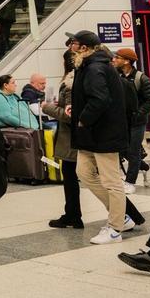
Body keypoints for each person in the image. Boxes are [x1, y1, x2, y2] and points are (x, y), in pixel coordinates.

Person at [67, 30, 138, 244]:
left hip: (103, 134)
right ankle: (121, 216)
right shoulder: (88, 65)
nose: (71, 46)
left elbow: (100, 99)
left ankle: (116, 227)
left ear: (84, 48)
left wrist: (84, 118)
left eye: (74, 43)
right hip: (91, 135)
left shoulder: (95, 67)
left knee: (112, 181)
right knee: (84, 173)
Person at [44, 50, 84, 229]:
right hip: (75, 138)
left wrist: (47, 108)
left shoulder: (70, 84)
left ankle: (73, 215)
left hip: (71, 139)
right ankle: (72, 214)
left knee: (73, 179)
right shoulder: (76, 80)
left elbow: (69, 116)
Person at [113, 48, 150, 193]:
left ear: (127, 61)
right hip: (122, 122)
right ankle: (146, 167)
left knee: (134, 151)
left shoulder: (140, 78)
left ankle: (130, 182)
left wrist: (139, 112)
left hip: (137, 122)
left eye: (117, 57)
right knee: (124, 151)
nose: (114, 60)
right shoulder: (116, 76)